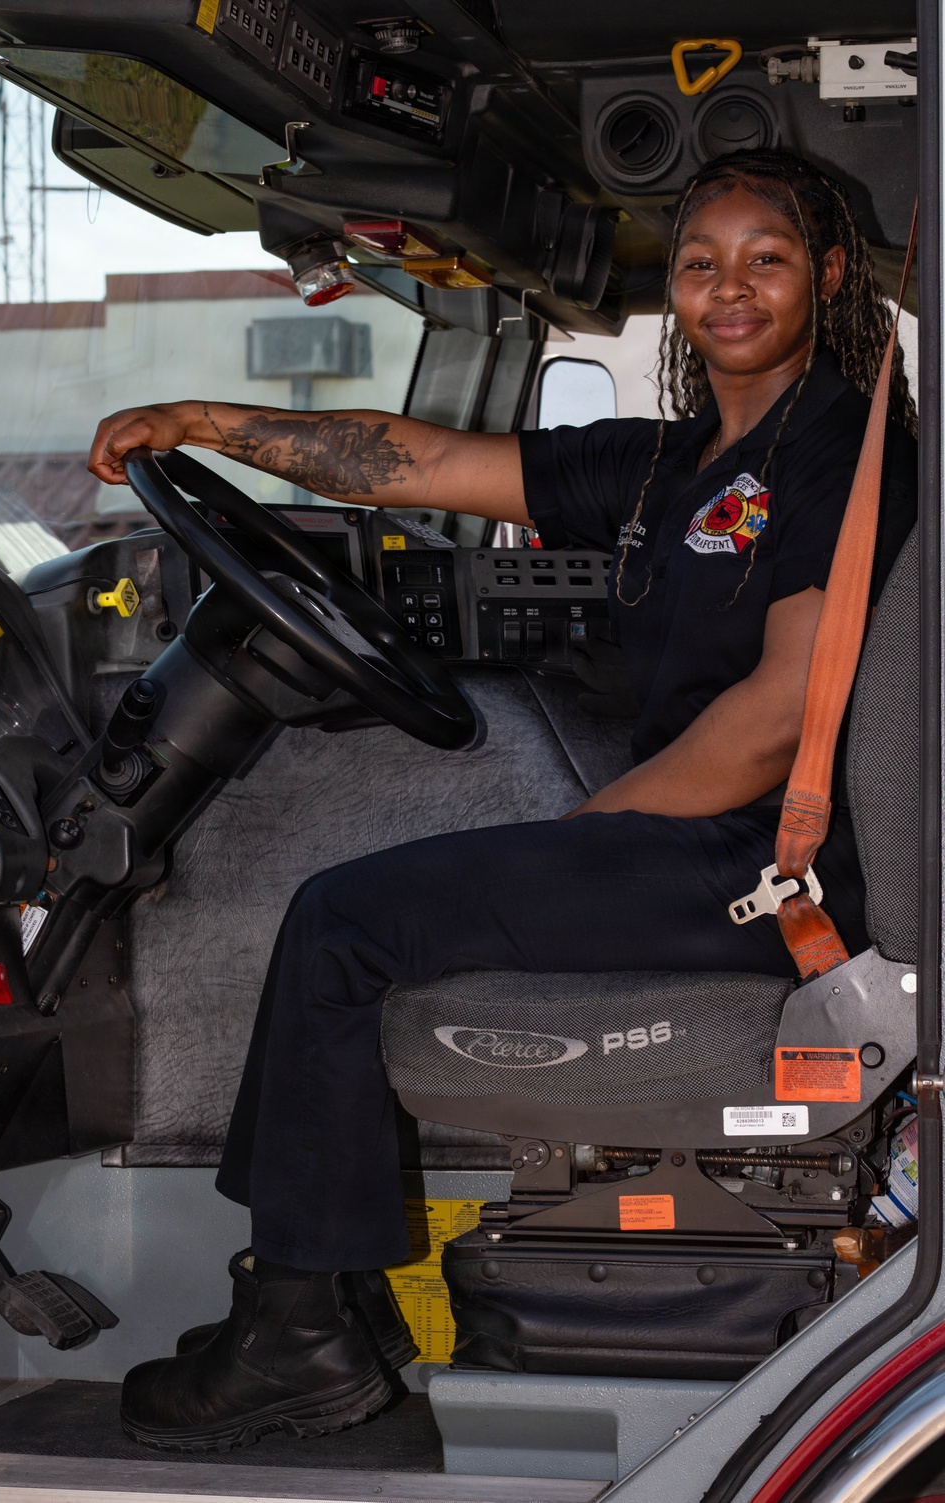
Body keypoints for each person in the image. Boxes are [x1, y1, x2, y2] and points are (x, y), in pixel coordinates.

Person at [88, 148, 918, 1453]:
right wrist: (207, 426)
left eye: (766, 258)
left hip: (774, 868)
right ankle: (318, 1308)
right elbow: (416, 461)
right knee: (360, 912)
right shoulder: (672, 465)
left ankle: (299, 1334)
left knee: (345, 921)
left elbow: (773, 722)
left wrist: (582, 839)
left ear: (826, 274)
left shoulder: (836, 454)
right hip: (709, 844)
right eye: (700, 262)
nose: (728, 288)